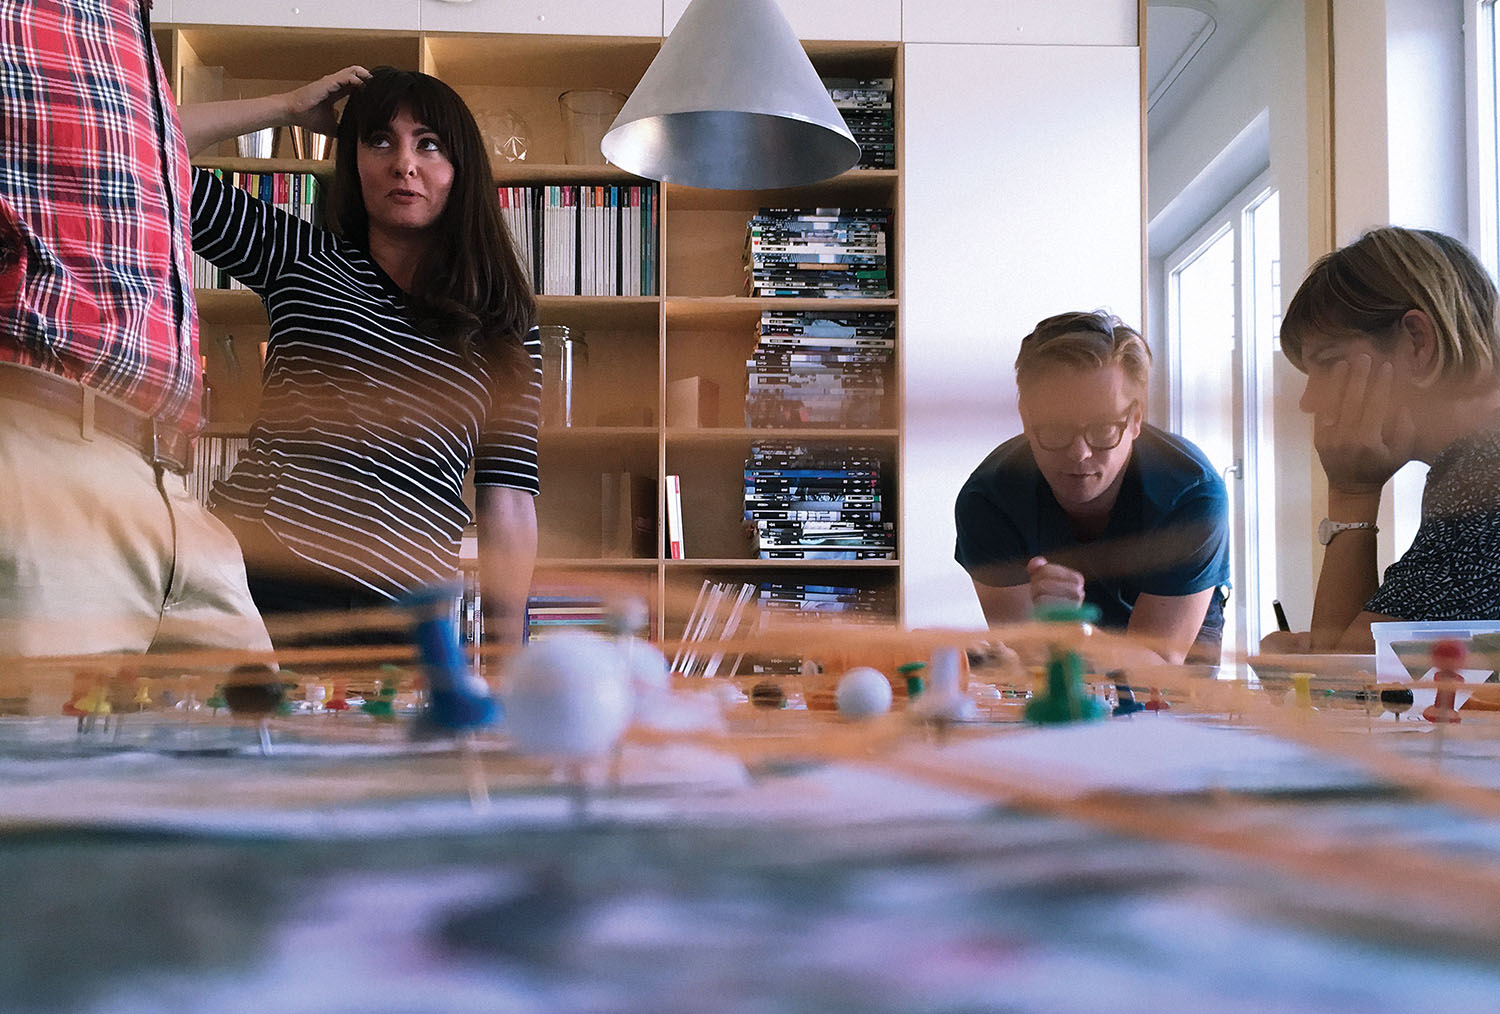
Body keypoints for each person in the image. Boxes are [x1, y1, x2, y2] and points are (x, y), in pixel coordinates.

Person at [177, 67, 542, 646]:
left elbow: (510, 499)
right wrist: (287, 106)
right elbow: (146, 150)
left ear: (461, 168)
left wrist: (508, 654)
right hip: (258, 578)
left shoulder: (505, 322)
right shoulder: (300, 256)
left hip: (404, 608)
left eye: (429, 144)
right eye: (379, 141)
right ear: (353, 161)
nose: (404, 164)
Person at [0, 0, 271, 662]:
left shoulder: (127, 30)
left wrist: (288, 106)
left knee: (268, 726)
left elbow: (153, 140)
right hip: (41, 450)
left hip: (168, 483)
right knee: (46, 731)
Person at [1261, 226, 1500, 655]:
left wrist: (1351, 493)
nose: (1309, 400)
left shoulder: (1480, 473)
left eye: (1329, 363)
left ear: (1418, 341)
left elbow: (1355, 680)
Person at [954, 310, 1231, 664]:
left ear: (1135, 419)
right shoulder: (988, 500)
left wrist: (1075, 632)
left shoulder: (1192, 495)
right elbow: (1034, 652)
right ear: (1025, 417)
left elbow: (1159, 668)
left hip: (1174, 642)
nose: (1079, 453)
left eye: (1103, 428)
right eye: (1055, 428)